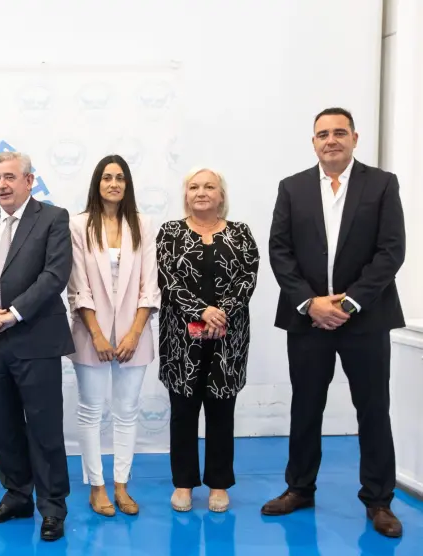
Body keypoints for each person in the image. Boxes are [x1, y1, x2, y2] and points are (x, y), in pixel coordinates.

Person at [264, 108, 406, 538]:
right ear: (313, 142)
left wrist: (349, 303)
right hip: (308, 320)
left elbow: (391, 251)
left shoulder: (382, 184)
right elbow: (280, 251)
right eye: (323, 134)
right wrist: (311, 302)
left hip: (366, 319)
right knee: (305, 407)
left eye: (339, 132)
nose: (331, 140)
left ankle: (378, 500)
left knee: (372, 410)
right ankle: (299, 488)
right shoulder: (292, 188)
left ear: (354, 138)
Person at [0, 151, 73, 542]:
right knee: (4, 427)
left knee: (43, 429)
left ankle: (53, 507)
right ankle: (18, 495)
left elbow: (55, 274)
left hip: (34, 339)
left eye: (9, 177)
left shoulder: (53, 219)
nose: (2, 185)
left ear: (29, 180)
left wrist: (12, 313)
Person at [155, 167, 258, 513]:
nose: (202, 192)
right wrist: (202, 311)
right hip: (181, 339)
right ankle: (183, 484)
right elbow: (167, 280)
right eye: (194, 187)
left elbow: (247, 278)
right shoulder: (170, 233)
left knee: (221, 412)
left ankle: (218, 484)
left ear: (221, 195)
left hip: (228, 338)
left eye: (209, 186)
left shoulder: (241, 233)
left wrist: (221, 312)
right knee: (182, 412)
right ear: (186, 195)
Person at [66, 154, 160, 517]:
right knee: (90, 412)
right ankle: (97, 486)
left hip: (135, 334)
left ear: (127, 184)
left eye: (120, 177)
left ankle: (121, 485)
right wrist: (98, 334)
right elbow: (78, 287)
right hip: (92, 334)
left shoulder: (143, 224)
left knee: (127, 412)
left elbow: (149, 286)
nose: (114, 183)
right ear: (97, 183)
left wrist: (135, 333)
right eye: (107, 177)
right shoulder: (79, 225)